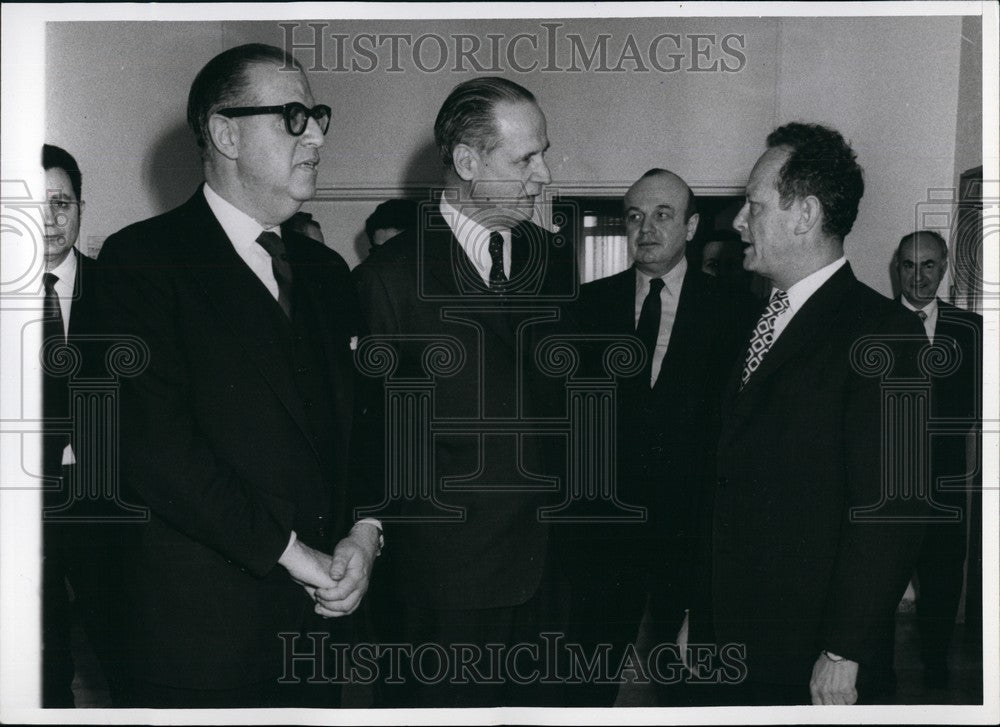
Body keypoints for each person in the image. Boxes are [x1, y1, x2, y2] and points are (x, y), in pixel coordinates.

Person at [89, 43, 380, 707]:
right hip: (197, 645)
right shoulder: (141, 264)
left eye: (320, 116)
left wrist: (364, 532)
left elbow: (368, 421)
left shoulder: (328, 274)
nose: (319, 135)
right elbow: (156, 450)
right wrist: (294, 554)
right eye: (294, 117)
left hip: (316, 635)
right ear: (225, 132)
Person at [353, 76, 575, 707]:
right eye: (526, 158)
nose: (544, 175)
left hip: (548, 582)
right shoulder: (388, 281)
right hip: (442, 596)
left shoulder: (550, 263)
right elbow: (372, 444)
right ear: (468, 162)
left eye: (544, 152)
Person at [708, 122, 928, 705]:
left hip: (811, 658)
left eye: (752, 207)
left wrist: (843, 651)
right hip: (734, 640)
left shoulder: (886, 333)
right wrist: (697, 615)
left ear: (803, 215)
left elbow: (892, 510)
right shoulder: (757, 319)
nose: (736, 222)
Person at [565, 169, 754, 706]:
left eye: (663, 215)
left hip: (690, 531)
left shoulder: (736, 310)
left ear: (692, 225)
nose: (646, 228)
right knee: (587, 678)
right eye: (634, 215)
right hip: (603, 530)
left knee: (687, 681)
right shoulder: (586, 306)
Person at [894, 230, 982, 689]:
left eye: (928, 265)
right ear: (898, 269)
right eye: (909, 266)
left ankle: (934, 661)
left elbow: (978, 407)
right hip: (885, 481)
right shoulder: (873, 323)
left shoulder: (973, 330)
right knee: (880, 576)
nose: (919, 276)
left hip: (947, 481)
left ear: (944, 266)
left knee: (945, 574)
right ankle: (873, 668)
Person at [39, 143, 99, 706]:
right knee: (42, 646)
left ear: (81, 205)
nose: (50, 220)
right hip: (27, 498)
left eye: (61, 202)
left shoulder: (124, 290)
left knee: (121, 635)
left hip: (111, 496)